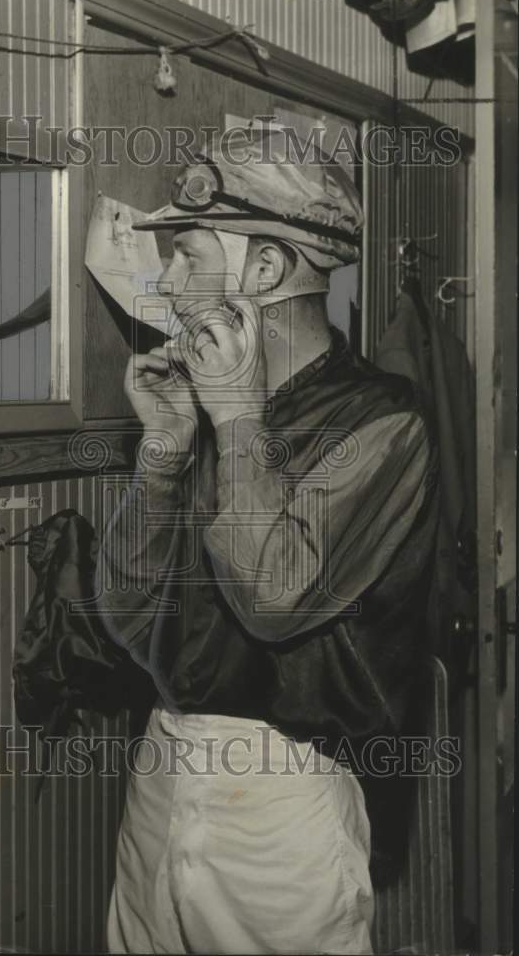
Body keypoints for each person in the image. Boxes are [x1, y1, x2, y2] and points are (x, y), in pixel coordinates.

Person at [94, 130, 440, 954]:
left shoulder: (383, 422)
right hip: (165, 754)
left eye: (186, 256)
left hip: (284, 784)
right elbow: (124, 615)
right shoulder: (209, 403)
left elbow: (272, 596)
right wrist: (165, 457)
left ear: (265, 272)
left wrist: (238, 418)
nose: (166, 283)